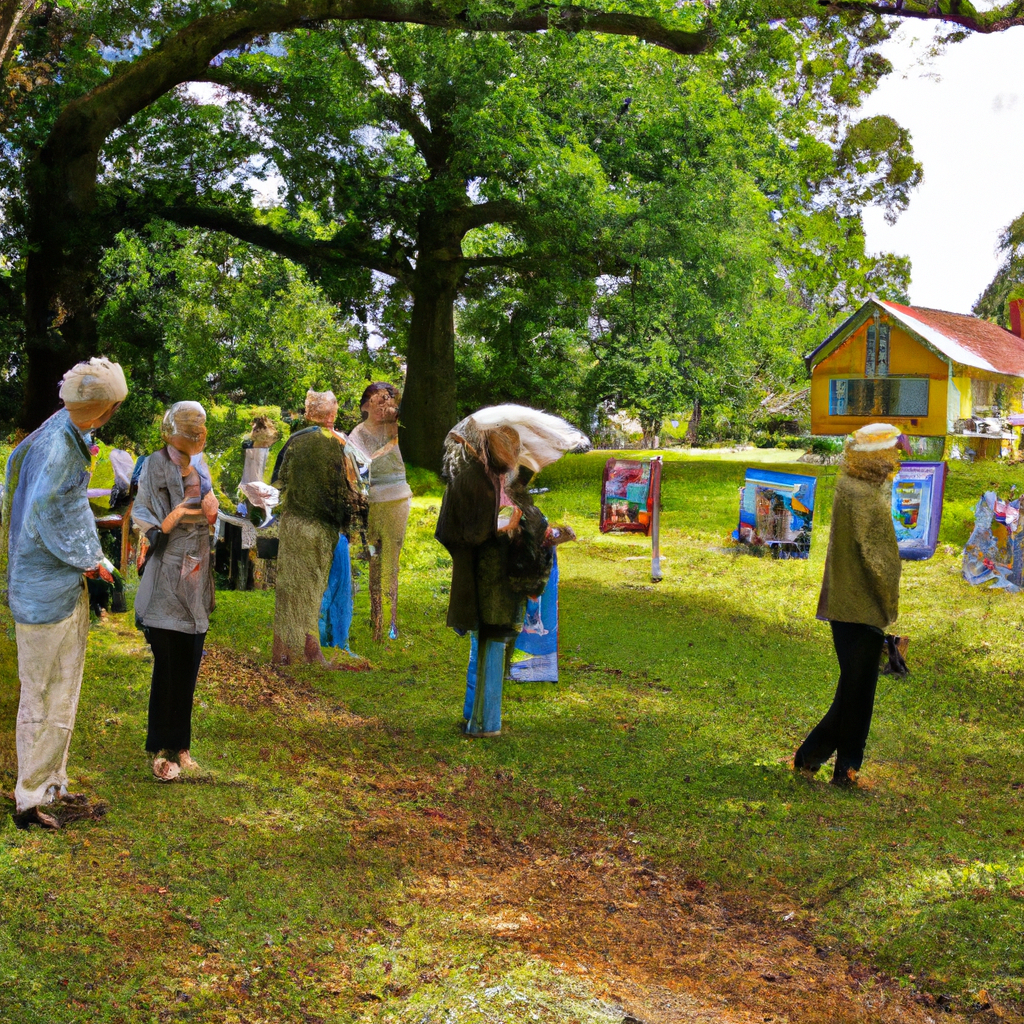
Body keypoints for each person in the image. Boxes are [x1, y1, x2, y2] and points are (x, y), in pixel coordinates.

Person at [4, 357, 128, 828]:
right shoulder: (59, 445)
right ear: (102, 409)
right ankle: (29, 798)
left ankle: (52, 781)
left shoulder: (65, 430)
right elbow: (47, 510)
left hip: (53, 584)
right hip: (43, 590)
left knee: (62, 691)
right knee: (41, 694)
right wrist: (91, 561)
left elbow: (67, 503)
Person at [435, 424, 573, 737]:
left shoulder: (506, 480)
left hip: (506, 578)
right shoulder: (471, 480)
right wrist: (499, 528)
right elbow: (457, 532)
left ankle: (481, 720)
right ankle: (483, 723)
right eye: (509, 448)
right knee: (486, 645)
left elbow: (528, 521)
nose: (514, 455)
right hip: (485, 578)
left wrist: (549, 536)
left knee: (493, 645)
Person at [794, 422, 905, 788]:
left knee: (854, 688)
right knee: (858, 694)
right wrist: (889, 600)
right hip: (862, 604)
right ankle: (843, 768)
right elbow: (878, 558)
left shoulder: (850, 486)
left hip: (843, 601)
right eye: (893, 450)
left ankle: (815, 758)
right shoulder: (864, 496)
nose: (896, 458)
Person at [132, 402, 219, 781]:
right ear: (172, 432)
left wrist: (212, 512)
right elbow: (146, 513)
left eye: (200, 431)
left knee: (190, 660)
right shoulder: (154, 464)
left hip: (197, 568)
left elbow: (211, 508)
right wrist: (171, 519)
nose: (196, 436)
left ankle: (182, 746)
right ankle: (159, 745)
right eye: (189, 430)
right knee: (166, 662)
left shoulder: (202, 465)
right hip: (169, 568)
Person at [271, 390, 368, 667]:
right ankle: (312, 652)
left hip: (292, 523)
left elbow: (278, 484)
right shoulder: (340, 444)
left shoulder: (293, 441)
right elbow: (354, 490)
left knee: (288, 590)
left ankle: (281, 653)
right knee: (314, 591)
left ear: (309, 413)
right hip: (321, 526)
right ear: (331, 414)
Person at [349, 382, 413, 641]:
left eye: (386, 400)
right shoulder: (357, 434)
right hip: (372, 504)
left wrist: (394, 415)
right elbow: (358, 467)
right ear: (365, 405)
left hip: (397, 501)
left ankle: (391, 621)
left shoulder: (397, 427)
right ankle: (377, 617)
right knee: (375, 557)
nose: (381, 406)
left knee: (391, 561)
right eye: (376, 400)